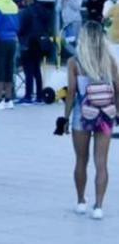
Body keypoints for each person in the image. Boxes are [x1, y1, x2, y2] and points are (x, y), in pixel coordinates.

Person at [61, 21, 119, 219]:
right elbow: (118, 90)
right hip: (106, 114)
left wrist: (65, 118)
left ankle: (80, 202)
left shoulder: (75, 62)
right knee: (101, 162)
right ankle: (99, 206)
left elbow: (70, 92)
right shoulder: (109, 61)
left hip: (82, 113)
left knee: (81, 160)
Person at [18, 0, 53, 104]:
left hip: (29, 42)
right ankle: (38, 95)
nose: (23, 3)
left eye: (24, 0)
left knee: (28, 71)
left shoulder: (27, 11)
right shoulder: (42, 9)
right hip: (40, 43)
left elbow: (22, 28)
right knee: (37, 70)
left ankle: (28, 95)